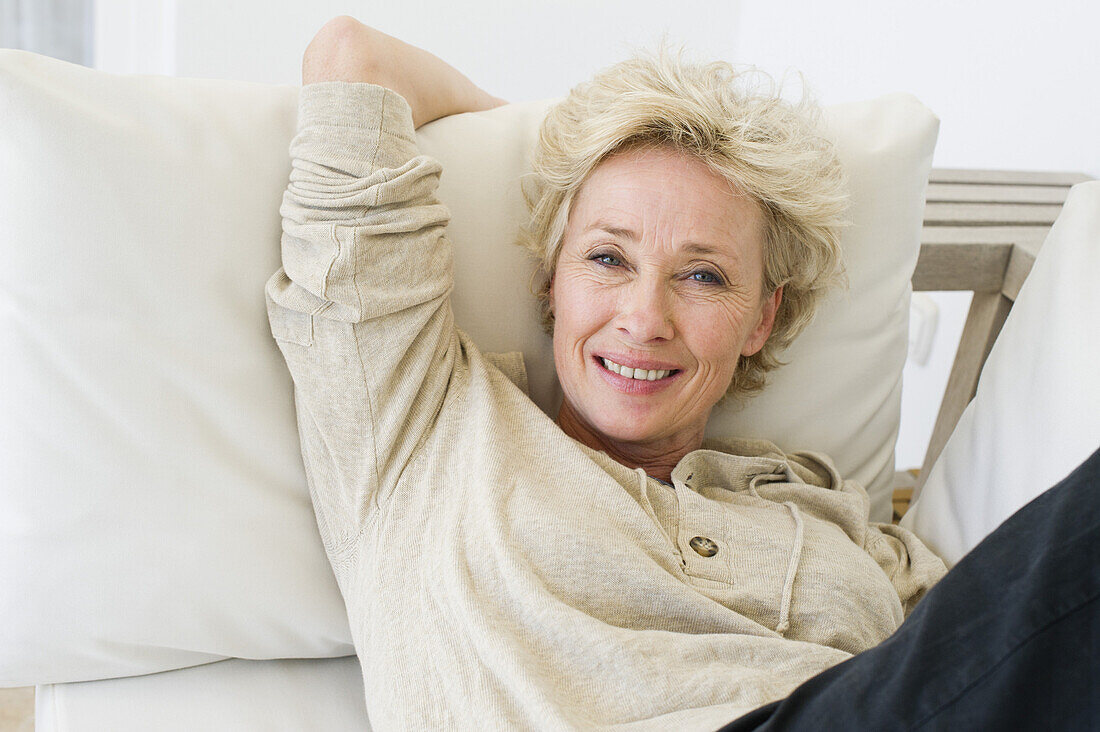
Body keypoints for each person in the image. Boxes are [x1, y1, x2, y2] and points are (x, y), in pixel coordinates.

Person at [265, 16, 1099, 731]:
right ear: (550, 277)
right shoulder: (425, 426)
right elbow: (352, 60)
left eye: (702, 275)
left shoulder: (822, 511)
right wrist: (536, 143)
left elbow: (989, 658)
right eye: (605, 257)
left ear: (760, 318)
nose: (644, 317)